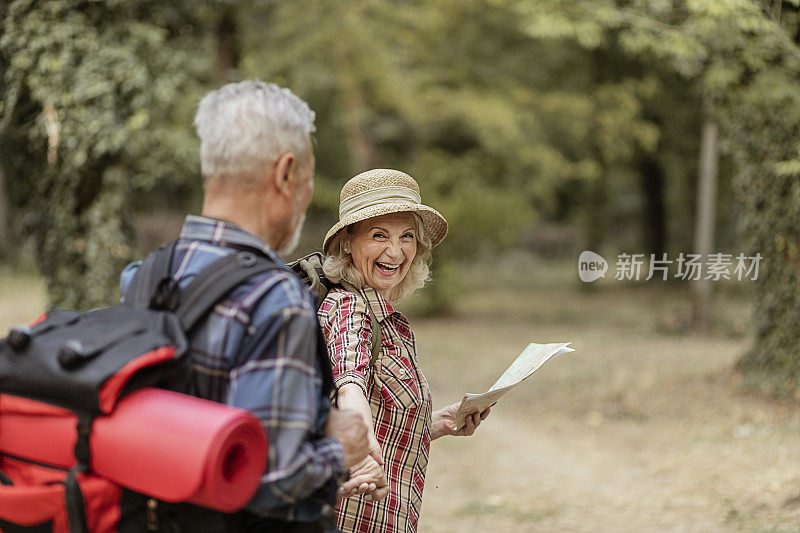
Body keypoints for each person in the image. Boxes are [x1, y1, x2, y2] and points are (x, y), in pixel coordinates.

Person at [119, 81, 376, 532]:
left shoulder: (145, 277)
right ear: (286, 174)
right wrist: (342, 448)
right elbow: (267, 477)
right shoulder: (275, 298)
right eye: (309, 179)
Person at [317, 169, 491, 533]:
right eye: (378, 235)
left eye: (406, 237)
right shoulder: (349, 310)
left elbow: (382, 420)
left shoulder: (392, 323)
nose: (395, 251)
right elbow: (349, 387)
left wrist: (437, 424)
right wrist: (364, 455)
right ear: (347, 242)